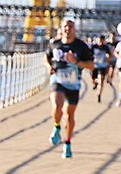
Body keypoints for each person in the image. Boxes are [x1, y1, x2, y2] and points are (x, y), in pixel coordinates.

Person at [46, 16, 93, 159]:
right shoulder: (55, 44)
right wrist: (49, 67)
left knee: (69, 115)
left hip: (73, 84)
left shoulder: (81, 46)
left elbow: (91, 65)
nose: (67, 29)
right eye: (65, 26)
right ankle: (56, 127)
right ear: (61, 29)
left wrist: (76, 61)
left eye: (70, 27)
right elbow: (46, 57)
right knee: (57, 106)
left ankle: (67, 143)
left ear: (74, 30)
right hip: (58, 80)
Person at [90, 37, 111, 103]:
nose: (100, 43)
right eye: (99, 41)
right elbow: (89, 54)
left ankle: (99, 94)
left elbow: (109, 55)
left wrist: (108, 58)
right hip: (94, 66)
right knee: (93, 80)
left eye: (102, 41)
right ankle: (95, 83)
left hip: (102, 66)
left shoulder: (106, 47)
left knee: (101, 80)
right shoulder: (93, 47)